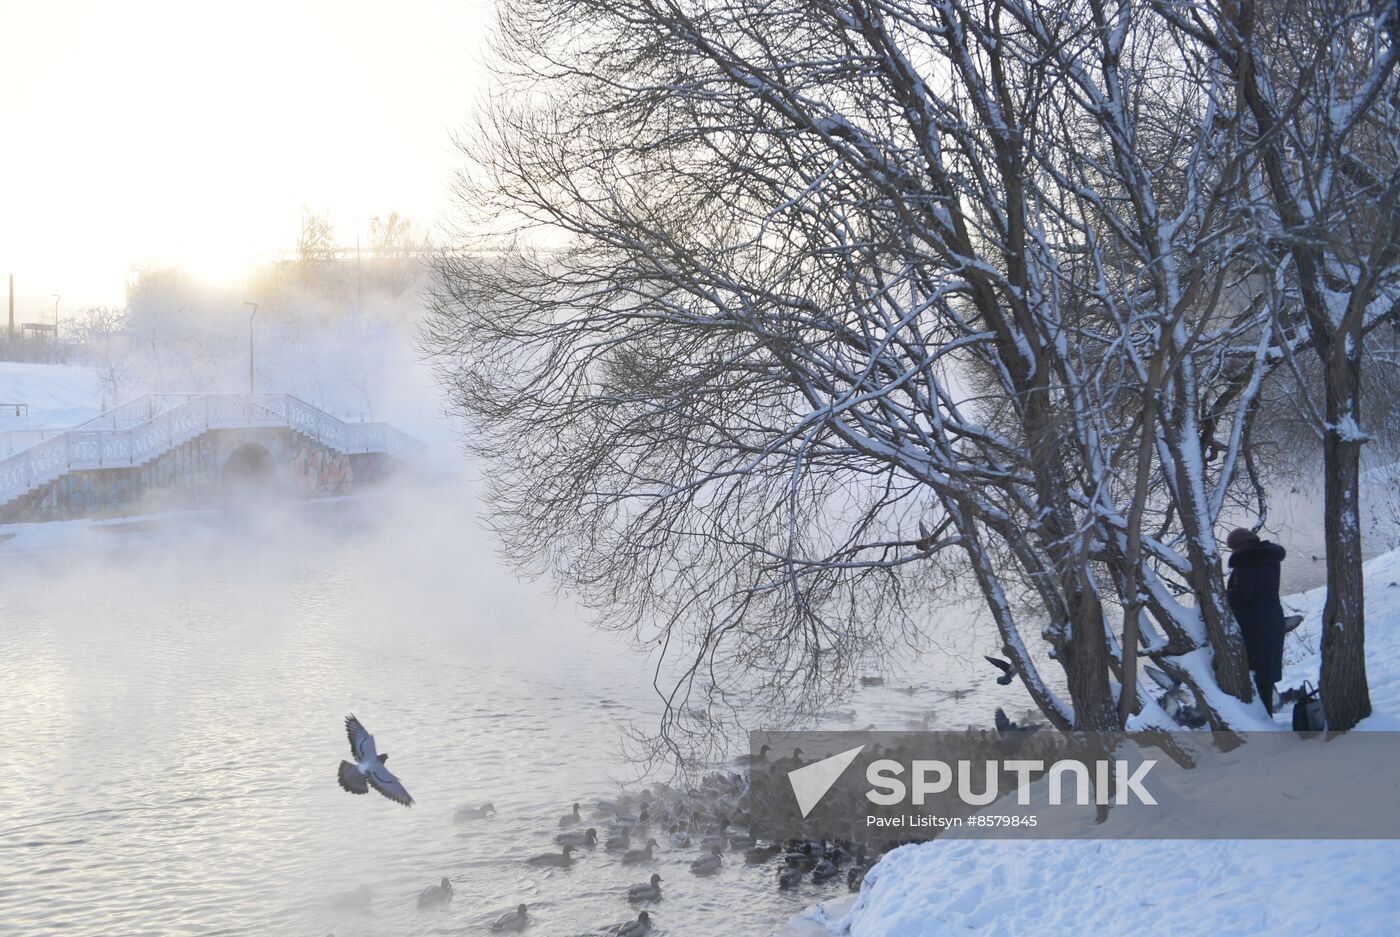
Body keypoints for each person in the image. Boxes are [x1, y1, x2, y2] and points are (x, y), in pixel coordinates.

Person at [1224, 527, 1286, 715]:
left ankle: (1261, 720)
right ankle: (1265, 717)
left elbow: (1242, 595)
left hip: (1255, 625)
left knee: (1256, 674)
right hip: (1272, 619)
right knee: (1265, 675)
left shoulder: (1247, 562)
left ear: (1238, 548)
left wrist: (1220, 594)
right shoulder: (1270, 559)